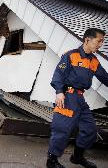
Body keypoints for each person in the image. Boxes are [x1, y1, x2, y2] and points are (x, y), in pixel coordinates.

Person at [46, 28, 108, 168]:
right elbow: (58, 75)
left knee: (90, 129)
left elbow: (105, 77)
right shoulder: (71, 55)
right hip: (67, 97)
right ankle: (52, 161)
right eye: (99, 41)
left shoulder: (93, 61)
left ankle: (77, 157)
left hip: (80, 99)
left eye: (102, 42)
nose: (100, 45)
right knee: (62, 129)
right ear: (87, 40)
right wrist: (59, 92)